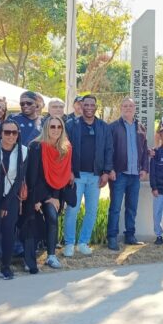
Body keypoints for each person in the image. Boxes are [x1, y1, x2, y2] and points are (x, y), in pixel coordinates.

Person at [63, 95, 113, 257]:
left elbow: (108, 150)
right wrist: (69, 170)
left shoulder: (103, 127)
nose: (89, 107)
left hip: (95, 176)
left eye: (92, 104)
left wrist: (106, 171)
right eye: (86, 104)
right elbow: (65, 150)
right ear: (81, 106)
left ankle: (83, 243)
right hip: (76, 175)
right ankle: (69, 244)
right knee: (72, 210)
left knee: (91, 211)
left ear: (96, 107)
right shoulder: (71, 125)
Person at [23, 116, 75, 271]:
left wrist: (55, 197)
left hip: (55, 192)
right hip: (36, 192)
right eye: (52, 127)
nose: (56, 130)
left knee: (52, 218)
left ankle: (51, 256)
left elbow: (62, 175)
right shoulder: (36, 146)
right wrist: (38, 199)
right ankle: (29, 259)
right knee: (32, 224)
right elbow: (32, 175)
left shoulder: (65, 148)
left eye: (59, 127)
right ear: (46, 128)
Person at [0, 119, 28, 280]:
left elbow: (19, 179)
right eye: (7, 132)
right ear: (1, 133)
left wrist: (6, 203)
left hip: (11, 197)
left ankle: (6, 265)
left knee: (9, 232)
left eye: (14, 132)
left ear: (18, 134)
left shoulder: (23, 151)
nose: (11, 135)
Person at [107, 98, 150, 250]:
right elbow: (109, 150)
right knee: (115, 207)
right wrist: (110, 169)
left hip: (135, 175)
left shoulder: (140, 127)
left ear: (134, 108)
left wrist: (145, 168)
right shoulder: (113, 127)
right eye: (125, 106)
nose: (128, 108)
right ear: (121, 108)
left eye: (130, 106)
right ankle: (112, 237)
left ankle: (130, 236)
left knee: (132, 207)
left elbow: (145, 150)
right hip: (119, 174)